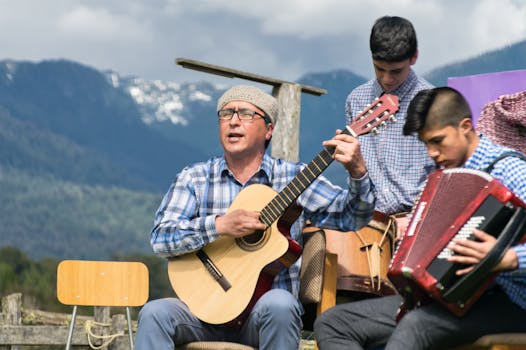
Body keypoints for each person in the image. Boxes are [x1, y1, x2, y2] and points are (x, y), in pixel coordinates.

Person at [135, 84, 376, 350]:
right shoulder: (194, 177)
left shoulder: (294, 177)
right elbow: (161, 239)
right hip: (200, 315)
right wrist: (220, 225)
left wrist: (357, 171)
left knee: (281, 304)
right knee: (154, 313)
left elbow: (353, 218)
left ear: (269, 129)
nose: (234, 121)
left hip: (262, 321)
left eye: (246, 114)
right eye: (226, 113)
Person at [314, 87, 526, 350]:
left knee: (416, 325)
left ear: (466, 126)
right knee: (333, 323)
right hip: (442, 299)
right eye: (426, 143)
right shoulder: (443, 179)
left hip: (509, 301)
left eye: (438, 141)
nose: (432, 153)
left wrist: (506, 258)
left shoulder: (512, 171)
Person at [322, 15, 436, 298]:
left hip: (418, 229)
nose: (387, 79)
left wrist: (419, 218)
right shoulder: (357, 99)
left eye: (395, 71)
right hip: (368, 228)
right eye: (379, 68)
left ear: (414, 57)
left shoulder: (434, 102)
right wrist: (356, 171)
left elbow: (446, 178)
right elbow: (359, 183)